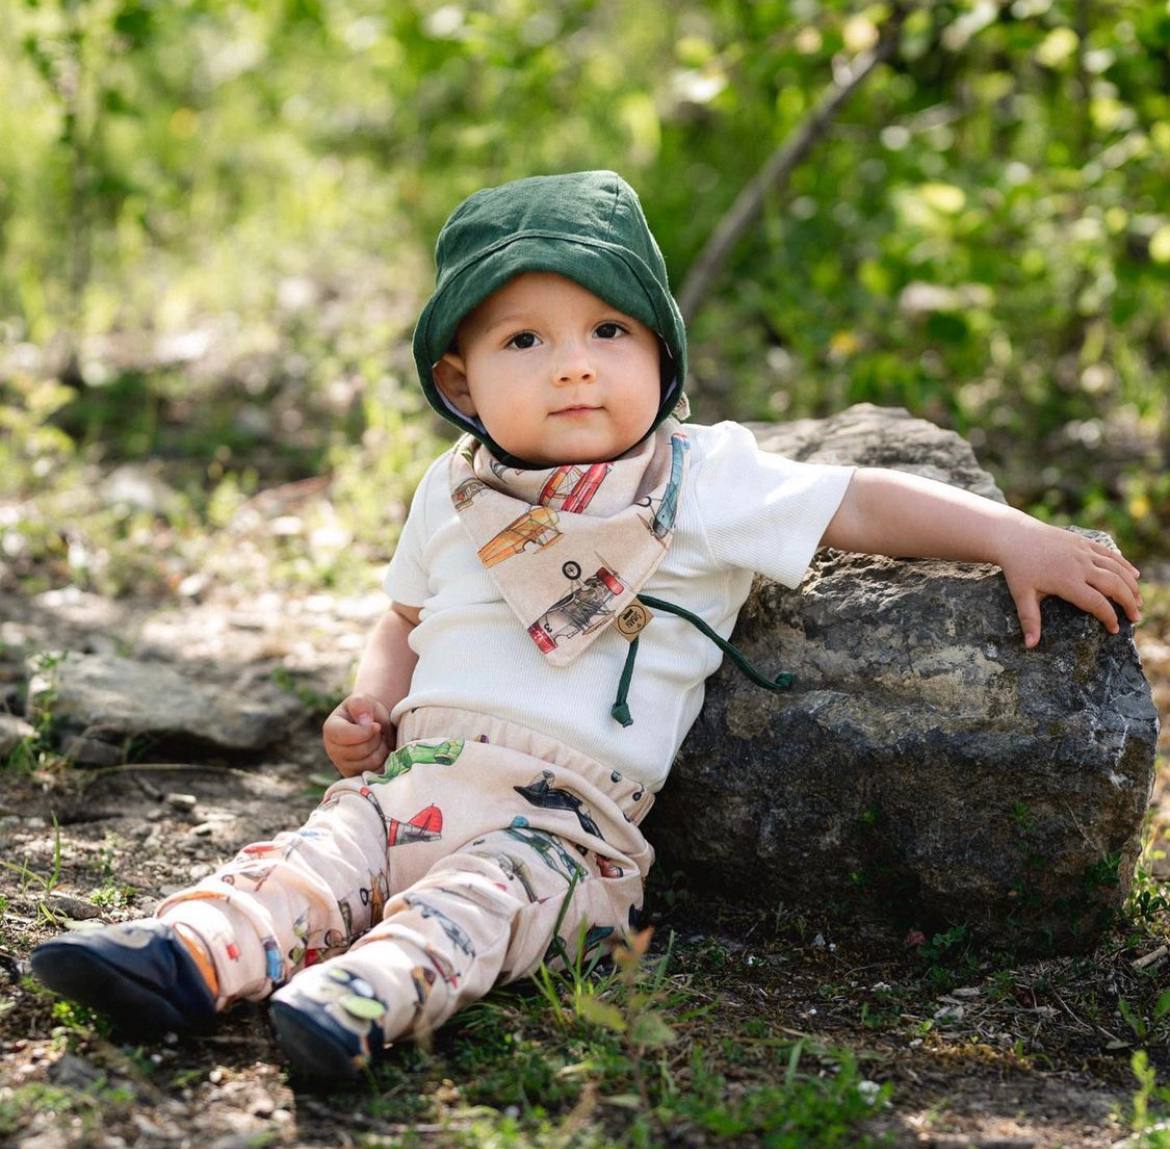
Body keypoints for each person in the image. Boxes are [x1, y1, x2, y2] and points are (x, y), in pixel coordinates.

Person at [30, 170, 1142, 1079]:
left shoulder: (700, 480)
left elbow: (859, 499)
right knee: (319, 856)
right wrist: (369, 698)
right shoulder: (451, 490)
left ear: (662, 357)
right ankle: (187, 951)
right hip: (414, 777)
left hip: (570, 821)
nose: (571, 362)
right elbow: (404, 616)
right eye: (524, 341)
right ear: (461, 385)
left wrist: (1011, 536)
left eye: (608, 328)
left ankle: (362, 996)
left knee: (485, 906)